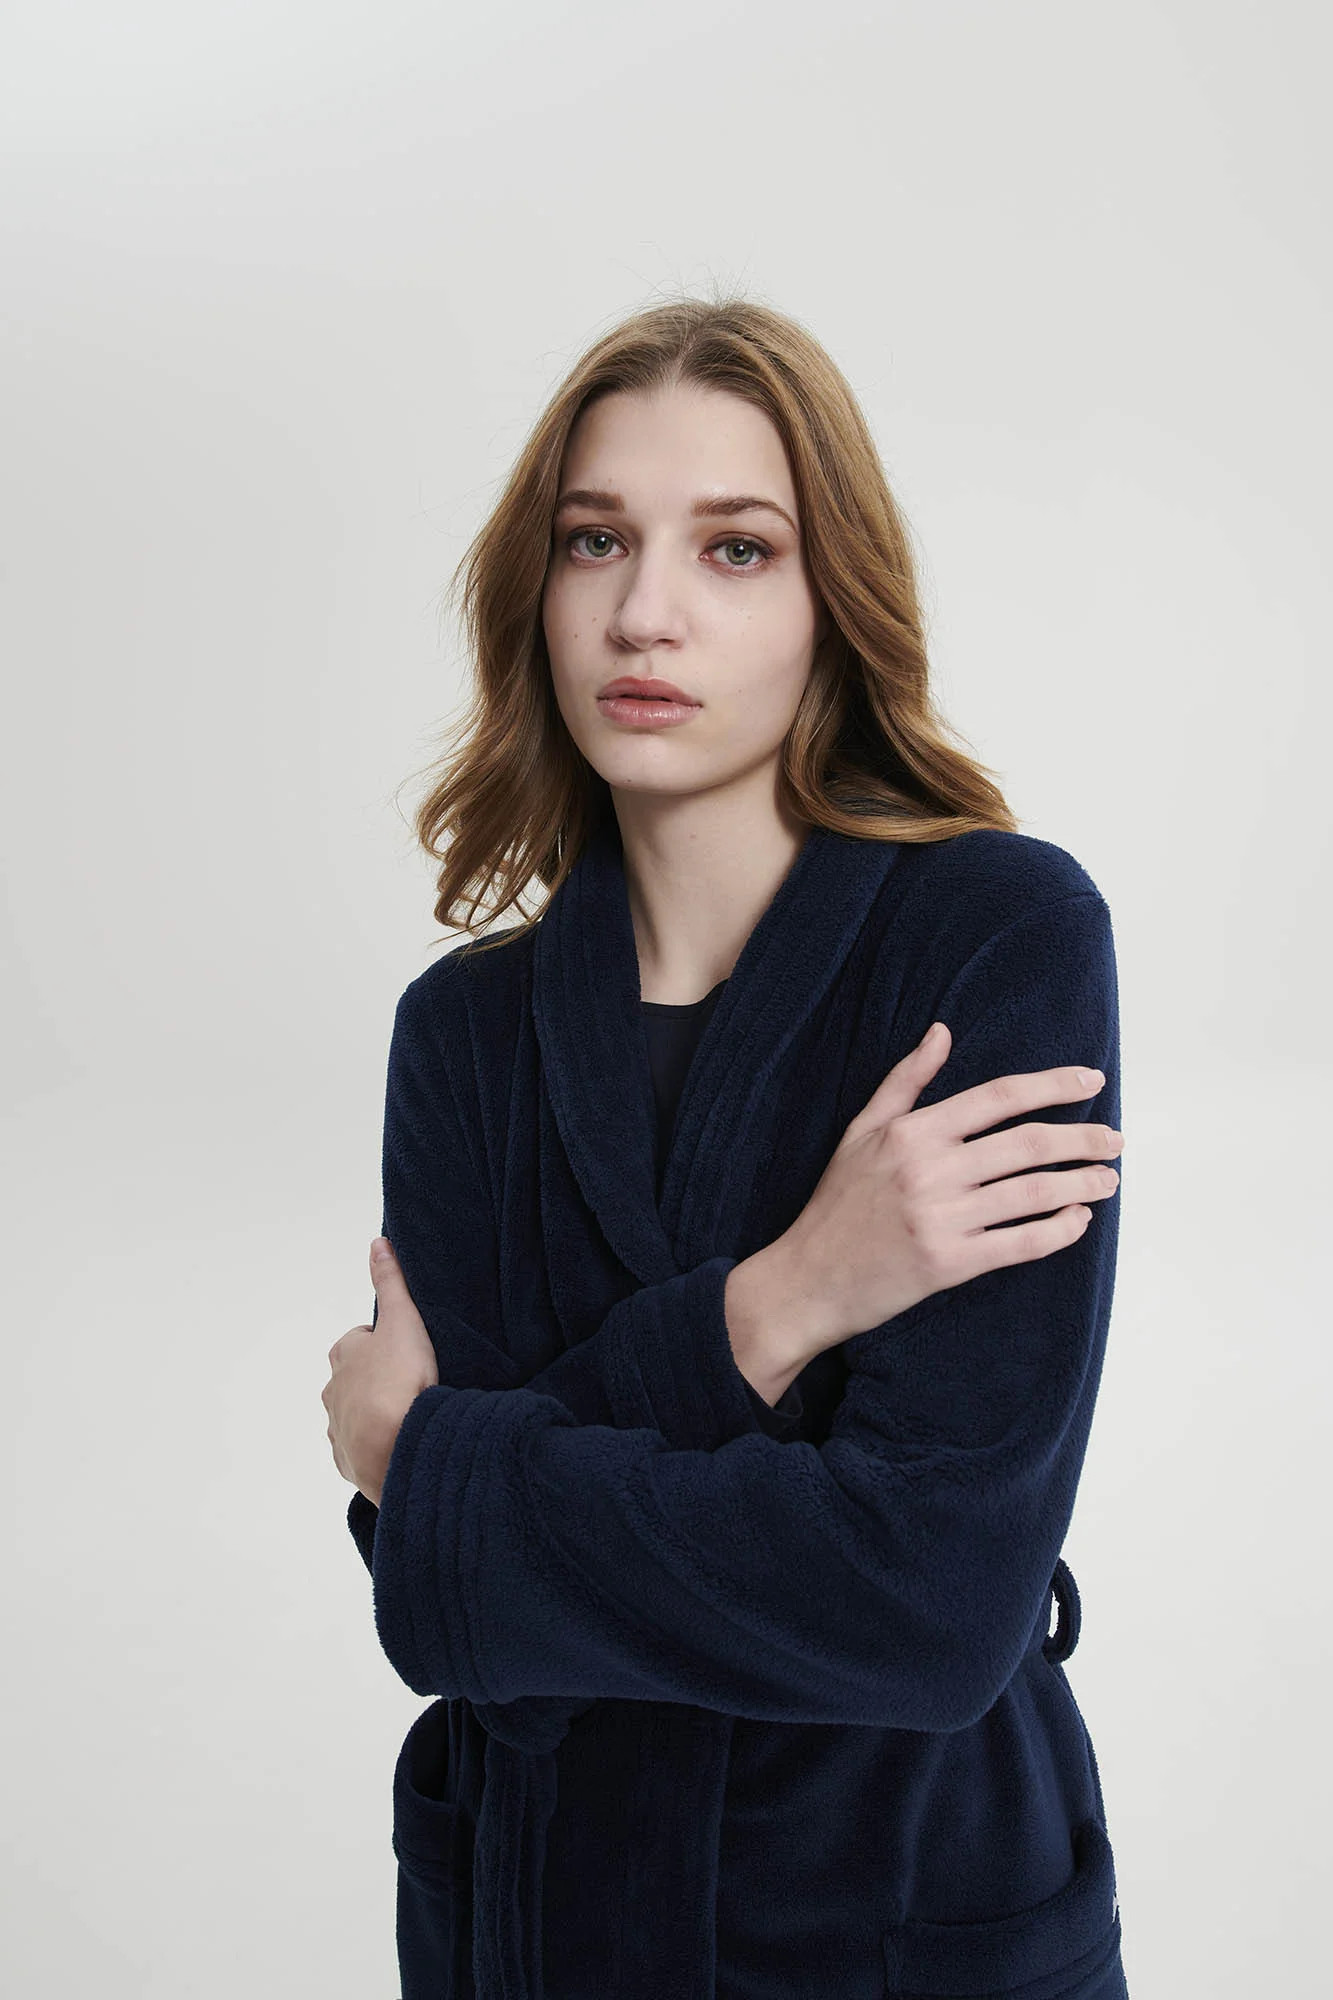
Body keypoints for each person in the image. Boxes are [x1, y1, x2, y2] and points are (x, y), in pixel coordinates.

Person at [322, 293, 1131, 2000]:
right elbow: (448, 1615)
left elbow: (928, 1608)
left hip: (895, 1920)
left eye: (735, 549)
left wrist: (456, 1474)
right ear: (534, 589)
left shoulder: (994, 940)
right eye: (595, 539)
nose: (645, 610)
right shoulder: (461, 1033)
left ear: (835, 601)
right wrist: (786, 1303)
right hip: (536, 1918)